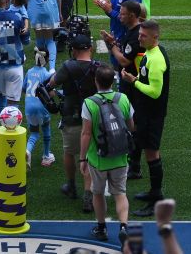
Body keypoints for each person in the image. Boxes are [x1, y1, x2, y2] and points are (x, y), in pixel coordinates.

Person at [44, 33, 101, 212]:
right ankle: (88, 196)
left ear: (74, 50)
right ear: (90, 49)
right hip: (93, 117)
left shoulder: (68, 66)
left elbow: (50, 85)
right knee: (90, 157)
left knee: (69, 152)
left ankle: (71, 186)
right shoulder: (99, 67)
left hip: (71, 115)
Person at [80, 65, 135, 245]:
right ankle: (124, 227)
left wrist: (82, 158)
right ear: (113, 81)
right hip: (120, 156)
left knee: (97, 193)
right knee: (120, 193)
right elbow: (131, 126)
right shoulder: (123, 99)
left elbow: (86, 133)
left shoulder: (89, 103)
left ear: (96, 81)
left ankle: (101, 228)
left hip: (98, 159)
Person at [121, 20, 171, 218]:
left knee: (152, 154)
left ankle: (156, 197)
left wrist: (133, 82)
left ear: (155, 37)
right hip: (146, 113)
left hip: (152, 115)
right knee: (148, 151)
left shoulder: (156, 59)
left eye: (143, 35)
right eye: (139, 34)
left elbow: (155, 92)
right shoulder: (149, 54)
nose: (139, 37)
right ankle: (153, 192)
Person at [100, 0, 143, 177]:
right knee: (128, 120)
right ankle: (132, 159)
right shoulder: (131, 31)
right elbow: (125, 52)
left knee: (132, 122)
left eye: (123, 14)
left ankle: (135, 165)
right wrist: (115, 43)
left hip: (133, 85)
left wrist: (111, 46)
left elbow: (125, 60)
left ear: (132, 15)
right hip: (129, 82)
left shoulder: (135, 35)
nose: (120, 16)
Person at [24, 50, 55, 168]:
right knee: (46, 128)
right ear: (46, 60)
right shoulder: (47, 75)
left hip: (29, 106)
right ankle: (46, 156)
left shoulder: (29, 71)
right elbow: (50, 93)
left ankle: (27, 151)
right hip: (41, 106)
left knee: (34, 133)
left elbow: (23, 88)